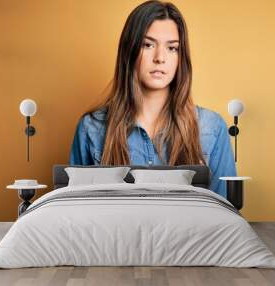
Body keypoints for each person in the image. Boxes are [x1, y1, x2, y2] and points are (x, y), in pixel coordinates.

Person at [69, 0, 236, 198]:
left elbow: (225, 214)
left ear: (181, 57)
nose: (160, 57)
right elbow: (75, 215)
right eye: (148, 45)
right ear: (129, 51)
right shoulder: (91, 128)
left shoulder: (212, 128)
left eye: (172, 48)